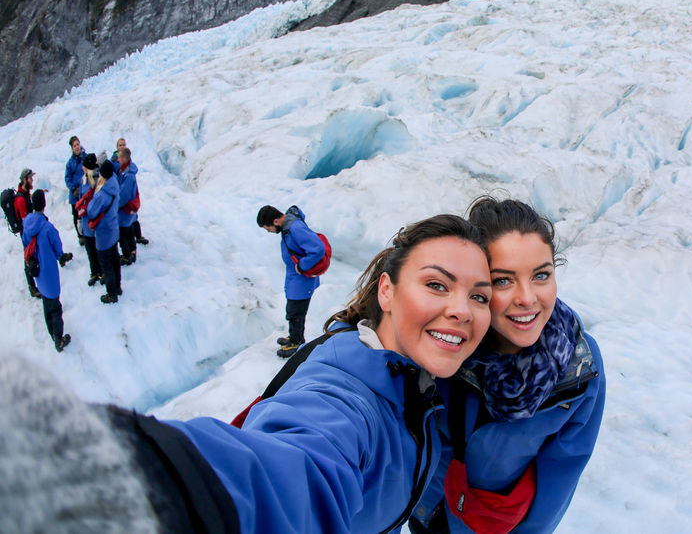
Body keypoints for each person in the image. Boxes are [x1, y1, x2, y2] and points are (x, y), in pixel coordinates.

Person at [0, 213, 494, 532]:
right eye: (436, 284)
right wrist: (103, 475)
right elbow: (290, 477)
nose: (462, 311)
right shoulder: (346, 401)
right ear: (386, 291)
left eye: (478, 296)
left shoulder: (419, 379)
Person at [410, 197, 606, 534]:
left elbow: (561, 469)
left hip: (493, 525)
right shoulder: (442, 341)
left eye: (541, 275)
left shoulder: (578, 367)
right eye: (503, 280)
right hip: (427, 511)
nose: (527, 298)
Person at [257, 204, 326, 358]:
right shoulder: (288, 226)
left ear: (275, 221)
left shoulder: (295, 228)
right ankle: (294, 337)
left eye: (267, 229)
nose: (269, 232)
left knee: (296, 312)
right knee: (293, 310)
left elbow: (317, 248)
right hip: (296, 279)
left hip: (302, 280)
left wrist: (302, 266)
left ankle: (296, 342)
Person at [21, 190, 73, 352]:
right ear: (43, 205)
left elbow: (25, 246)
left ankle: (51, 331)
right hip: (48, 271)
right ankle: (58, 338)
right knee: (55, 305)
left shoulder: (26, 223)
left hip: (37, 271)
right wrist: (61, 257)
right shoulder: (48, 228)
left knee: (46, 301)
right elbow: (58, 249)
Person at [87, 160, 122, 304]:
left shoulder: (102, 195)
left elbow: (91, 211)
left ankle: (111, 294)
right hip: (114, 227)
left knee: (107, 264)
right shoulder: (114, 183)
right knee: (115, 260)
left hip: (104, 234)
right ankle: (118, 287)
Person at [111, 137, 148, 246]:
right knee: (128, 219)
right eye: (120, 145)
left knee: (132, 217)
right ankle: (132, 246)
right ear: (117, 147)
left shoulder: (127, 163)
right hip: (120, 192)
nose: (122, 146)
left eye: (124, 145)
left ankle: (136, 238)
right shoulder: (114, 161)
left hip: (126, 195)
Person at [76, 153, 103, 286]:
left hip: (95, 221)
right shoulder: (84, 180)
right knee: (90, 249)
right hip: (87, 222)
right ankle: (95, 271)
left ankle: (101, 271)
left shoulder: (99, 181)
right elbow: (81, 198)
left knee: (97, 249)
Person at [14, 168, 40, 298]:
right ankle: (32, 287)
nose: (32, 180)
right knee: (28, 257)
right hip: (26, 233)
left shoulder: (25, 194)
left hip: (28, 231)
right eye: (30, 178)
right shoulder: (20, 200)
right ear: (25, 179)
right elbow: (25, 221)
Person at [115, 147, 139, 266]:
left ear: (124, 158)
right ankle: (132, 253)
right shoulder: (125, 170)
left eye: (119, 157)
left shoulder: (128, 175)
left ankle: (127, 256)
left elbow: (124, 195)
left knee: (122, 234)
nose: (118, 159)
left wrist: (116, 206)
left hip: (125, 210)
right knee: (128, 232)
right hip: (128, 210)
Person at [64, 135, 86, 245]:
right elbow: (67, 178)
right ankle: (80, 235)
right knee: (77, 215)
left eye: (78, 144)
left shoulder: (85, 157)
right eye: (74, 145)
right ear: (72, 148)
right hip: (75, 194)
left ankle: (87, 231)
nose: (77, 147)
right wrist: (73, 188)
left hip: (85, 191)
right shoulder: (70, 163)